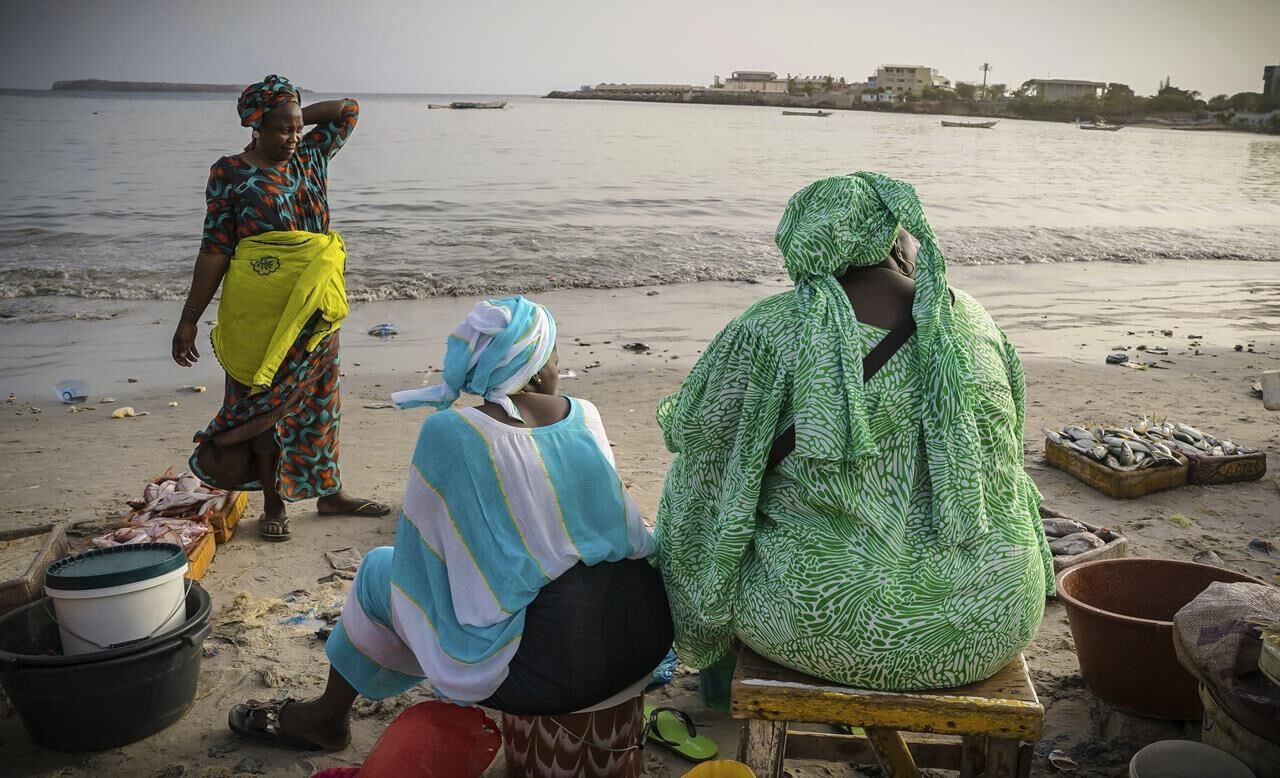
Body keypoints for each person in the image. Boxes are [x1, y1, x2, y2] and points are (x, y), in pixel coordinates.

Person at [655, 173, 1053, 691]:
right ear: (890, 240)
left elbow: (698, 440)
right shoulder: (975, 320)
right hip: (993, 618)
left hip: (824, 628)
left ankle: (708, 642)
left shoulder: (770, 329)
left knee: (700, 478)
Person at [227, 296, 672, 752]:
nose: (557, 367)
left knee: (379, 573)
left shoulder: (452, 432)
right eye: (554, 355)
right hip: (647, 640)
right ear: (536, 367)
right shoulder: (585, 414)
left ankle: (326, 718)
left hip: (556, 674)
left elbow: (420, 567)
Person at [171, 74, 389, 541]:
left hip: (314, 306)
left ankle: (329, 493)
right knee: (264, 405)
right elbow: (215, 249)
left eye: (295, 129)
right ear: (255, 127)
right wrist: (189, 318)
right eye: (281, 130)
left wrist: (294, 113)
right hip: (261, 313)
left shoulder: (311, 155)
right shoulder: (229, 172)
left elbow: (349, 108)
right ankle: (274, 502)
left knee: (319, 402)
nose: (292, 139)